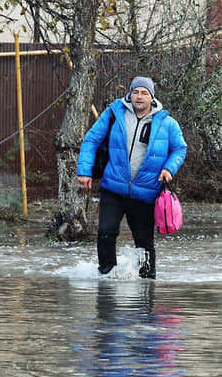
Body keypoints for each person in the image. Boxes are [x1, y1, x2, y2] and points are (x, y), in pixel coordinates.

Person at [77, 76, 187, 279]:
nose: (139, 96)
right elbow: (91, 139)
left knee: (144, 241)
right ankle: (106, 275)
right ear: (130, 93)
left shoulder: (166, 122)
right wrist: (84, 170)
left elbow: (179, 148)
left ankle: (147, 283)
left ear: (152, 97)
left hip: (146, 191)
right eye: (136, 92)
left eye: (144, 93)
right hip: (114, 187)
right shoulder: (113, 113)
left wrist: (169, 169)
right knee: (106, 232)